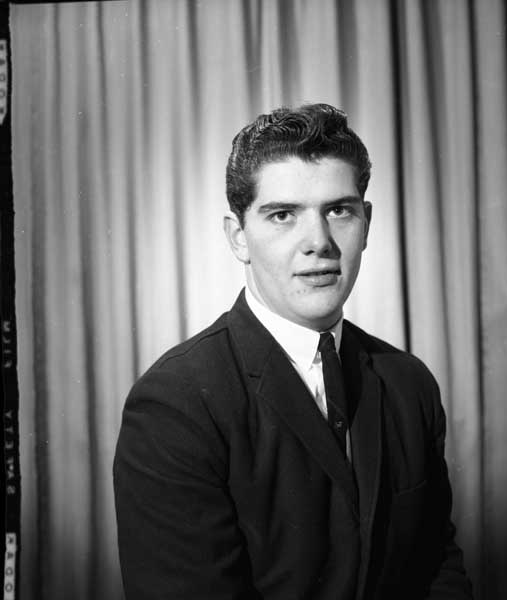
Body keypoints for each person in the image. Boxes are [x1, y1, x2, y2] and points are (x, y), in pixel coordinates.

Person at [113, 103, 473, 599]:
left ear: (366, 223)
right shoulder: (175, 405)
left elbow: (437, 570)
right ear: (238, 237)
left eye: (339, 210)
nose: (319, 242)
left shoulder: (409, 382)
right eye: (283, 215)